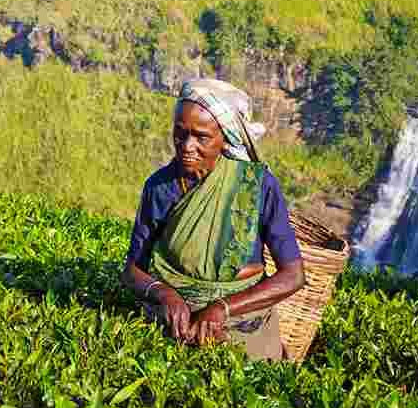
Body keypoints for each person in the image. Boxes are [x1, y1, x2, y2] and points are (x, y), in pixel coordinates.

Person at [121, 79, 306, 360]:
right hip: (174, 324)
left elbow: (293, 275)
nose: (186, 146)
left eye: (201, 136)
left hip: (242, 324)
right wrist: (164, 294)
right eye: (180, 134)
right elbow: (133, 271)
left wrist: (223, 307)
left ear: (225, 139)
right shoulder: (159, 187)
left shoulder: (256, 186)